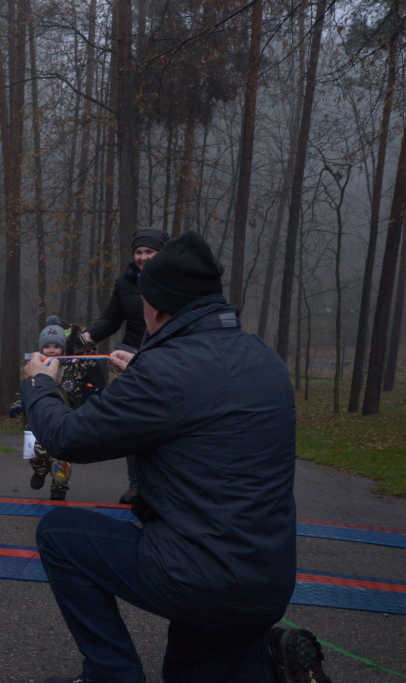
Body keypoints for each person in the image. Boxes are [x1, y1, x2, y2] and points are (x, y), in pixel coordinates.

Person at [20, 231, 329, 683]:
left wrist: (38, 383)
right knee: (190, 667)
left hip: (199, 578)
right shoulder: (264, 358)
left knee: (60, 534)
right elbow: (204, 409)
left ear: (157, 307)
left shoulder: (168, 371)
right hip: (267, 580)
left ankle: (111, 675)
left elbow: (70, 438)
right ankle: (264, 665)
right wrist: (143, 372)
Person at [82, 226, 169, 504]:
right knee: (133, 424)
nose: (143, 257)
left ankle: (164, 483)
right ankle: (136, 485)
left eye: (150, 252)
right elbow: (111, 320)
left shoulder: (173, 282)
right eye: (139, 252)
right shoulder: (125, 284)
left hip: (166, 361)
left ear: (162, 253)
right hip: (130, 362)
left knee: (161, 427)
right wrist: (87, 336)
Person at [23, 316, 104, 501]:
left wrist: (88, 345)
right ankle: (41, 471)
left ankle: (59, 487)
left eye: (56, 346)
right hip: (36, 420)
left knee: (60, 457)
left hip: (64, 418)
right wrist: (19, 404)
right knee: (35, 454)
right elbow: (27, 387)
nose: (52, 350)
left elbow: (90, 361)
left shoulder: (73, 365)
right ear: (40, 348)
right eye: (47, 346)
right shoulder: (34, 366)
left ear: (63, 348)